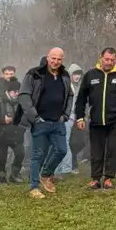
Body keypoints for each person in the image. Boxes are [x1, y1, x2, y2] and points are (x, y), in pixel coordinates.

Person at [74, 47, 116, 189]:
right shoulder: (90, 75)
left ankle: (108, 178)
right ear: (100, 58)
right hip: (96, 120)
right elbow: (81, 98)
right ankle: (96, 179)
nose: (109, 62)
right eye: (106, 59)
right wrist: (80, 117)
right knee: (96, 151)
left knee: (114, 150)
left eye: (112, 60)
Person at [18, 47, 73, 199]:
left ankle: (46, 174)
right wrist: (35, 117)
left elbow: (70, 95)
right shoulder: (34, 74)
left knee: (61, 150)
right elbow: (24, 96)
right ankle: (33, 187)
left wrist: (65, 115)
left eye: (59, 59)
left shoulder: (65, 75)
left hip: (58, 121)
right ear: (48, 58)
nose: (56, 61)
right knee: (38, 155)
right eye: (53, 58)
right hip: (40, 121)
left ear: (62, 60)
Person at [0, 76, 25, 183]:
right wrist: (3, 119)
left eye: (18, 91)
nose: (16, 94)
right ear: (8, 91)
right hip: (1, 132)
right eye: (14, 91)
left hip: (16, 132)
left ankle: (14, 174)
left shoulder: (21, 101)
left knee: (20, 153)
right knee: (2, 156)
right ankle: (1, 177)